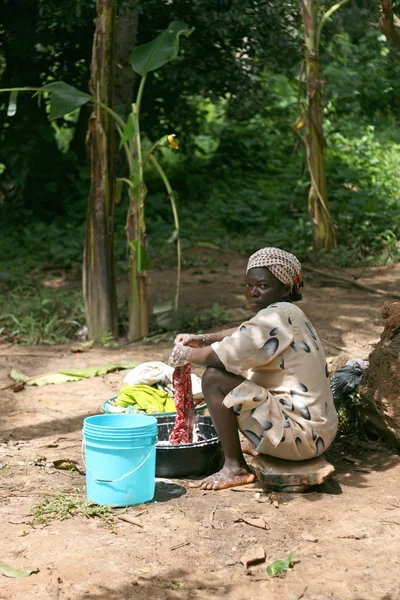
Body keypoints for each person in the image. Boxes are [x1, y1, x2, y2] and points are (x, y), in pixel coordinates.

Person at [169, 247, 338, 491]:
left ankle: (235, 468)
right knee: (242, 373)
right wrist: (204, 338)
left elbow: (219, 356)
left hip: (301, 439)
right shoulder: (287, 313)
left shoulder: (278, 316)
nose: (253, 293)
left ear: (284, 287)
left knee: (215, 378)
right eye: (248, 286)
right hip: (318, 433)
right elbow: (246, 332)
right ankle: (260, 443)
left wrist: (187, 354)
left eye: (263, 286)